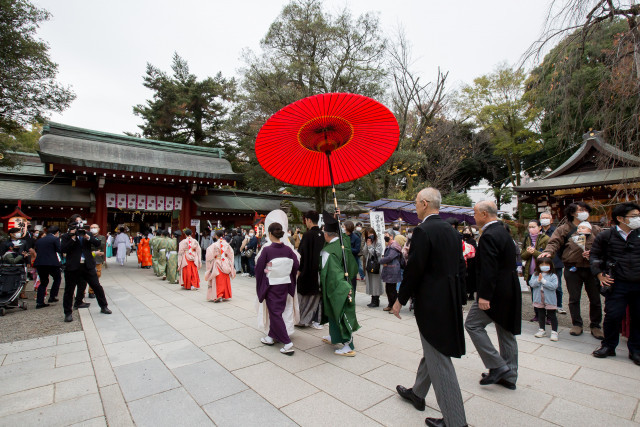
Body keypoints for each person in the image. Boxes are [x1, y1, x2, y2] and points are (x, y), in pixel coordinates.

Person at [392, 188, 467, 427]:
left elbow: (414, 269)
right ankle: (418, 392)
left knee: (439, 359)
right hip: (450, 298)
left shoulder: (423, 231)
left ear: (425, 203)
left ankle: (456, 421)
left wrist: (399, 299)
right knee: (433, 350)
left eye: (416, 203)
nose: (415, 207)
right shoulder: (451, 231)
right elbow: (460, 267)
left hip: (432, 303)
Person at [464, 201, 521, 391]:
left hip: (495, 292)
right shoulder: (503, 231)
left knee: (472, 324)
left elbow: (489, 269)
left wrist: (484, 296)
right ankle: (510, 374)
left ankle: (498, 366)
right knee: (506, 330)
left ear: (484, 214)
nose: (474, 217)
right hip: (509, 288)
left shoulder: (489, 235)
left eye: (475, 214)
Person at [539, 201, 603, 338]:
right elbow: (554, 242)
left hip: (592, 268)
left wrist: (594, 254)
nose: (584, 211)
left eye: (586, 209)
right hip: (572, 268)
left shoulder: (595, 229)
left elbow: (603, 245)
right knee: (574, 297)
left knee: (595, 298)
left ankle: (596, 325)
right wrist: (549, 251)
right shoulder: (564, 229)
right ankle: (577, 324)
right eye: (581, 209)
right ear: (573, 212)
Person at [590, 202, 640, 365]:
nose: (637, 219)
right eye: (634, 216)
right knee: (613, 315)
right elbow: (595, 255)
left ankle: (636, 349)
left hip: (638, 282)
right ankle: (609, 346)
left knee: (638, 317)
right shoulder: (606, 236)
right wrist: (599, 274)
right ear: (620, 218)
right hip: (616, 282)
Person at [255, 221, 299, 355]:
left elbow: (258, 268)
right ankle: (270, 336)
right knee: (278, 310)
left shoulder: (267, 249)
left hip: (272, 285)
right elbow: (296, 264)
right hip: (284, 283)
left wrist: (269, 270)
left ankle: (287, 343)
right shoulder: (287, 249)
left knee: (275, 313)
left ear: (269, 234)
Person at [320, 211, 359, 356]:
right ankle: (334, 336)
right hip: (344, 281)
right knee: (332, 312)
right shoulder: (344, 244)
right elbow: (341, 236)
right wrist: (336, 220)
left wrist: (341, 289)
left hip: (336, 286)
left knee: (340, 312)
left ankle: (348, 345)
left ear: (326, 234)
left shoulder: (328, 251)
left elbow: (330, 274)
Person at [60, 217, 111, 322]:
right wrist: (73, 237)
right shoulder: (66, 236)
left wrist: (88, 237)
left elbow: (97, 244)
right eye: (76, 223)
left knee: (96, 286)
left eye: (80, 222)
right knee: (69, 290)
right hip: (73, 265)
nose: (78, 224)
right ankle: (68, 313)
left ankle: (103, 306)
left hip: (87, 265)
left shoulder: (87, 234)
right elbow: (63, 249)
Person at [296, 210, 325, 329]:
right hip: (320, 271)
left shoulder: (307, 235)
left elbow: (301, 254)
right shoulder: (324, 235)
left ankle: (302, 320)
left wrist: (299, 270)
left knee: (304, 297)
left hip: (307, 271)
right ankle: (316, 320)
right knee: (317, 297)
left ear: (308, 220)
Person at [521, 219, 550, 322]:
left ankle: (549, 316)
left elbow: (548, 256)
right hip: (531, 271)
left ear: (539, 227)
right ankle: (537, 314)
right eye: (529, 227)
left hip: (543, 270)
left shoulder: (545, 238)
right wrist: (529, 253)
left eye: (533, 227)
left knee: (545, 293)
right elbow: (523, 255)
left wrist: (534, 252)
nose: (531, 229)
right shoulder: (527, 239)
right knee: (534, 293)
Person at [540, 212, 566, 314]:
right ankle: (545, 304)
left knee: (557, 285)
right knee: (542, 284)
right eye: (543, 218)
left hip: (555, 261)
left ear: (551, 220)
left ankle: (558, 305)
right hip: (542, 262)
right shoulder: (538, 231)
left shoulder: (556, 231)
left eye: (547, 218)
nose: (544, 220)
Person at [529, 258, 559, 341]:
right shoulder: (535, 274)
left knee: (552, 314)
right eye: (542, 265)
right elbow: (531, 284)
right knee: (541, 314)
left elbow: (554, 286)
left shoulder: (553, 275)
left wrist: (544, 281)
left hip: (549, 298)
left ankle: (554, 332)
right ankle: (541, 329)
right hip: (539, 297)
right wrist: (538, 281)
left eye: (546, 264)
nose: (544, 266)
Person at [32, 226, 62, 308]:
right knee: (57, 278)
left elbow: (37, 250)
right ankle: (52, 296)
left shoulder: (39, 240)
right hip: (52, 263)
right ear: (56, 233)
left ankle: (40, 302)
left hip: (40, 263)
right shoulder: (55, 239)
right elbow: (59, 249)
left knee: (43, 282)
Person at [205, 230, 235, 302]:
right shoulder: (227, 245)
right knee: (225, 279)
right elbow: (231, 254)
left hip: (217, 262)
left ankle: (219, 295)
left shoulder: (214, 245)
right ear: (223, 235)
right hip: (225, 262)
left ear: (216, 236)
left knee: (218, 279)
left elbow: (209, 253)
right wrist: (230, 263)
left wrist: (211, 263)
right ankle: (225, 294)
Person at [380, 234, 402, 312]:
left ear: (391, 236)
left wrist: (381, 260)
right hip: (389, 270)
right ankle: (390, 304)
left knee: (392, 290)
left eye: (387, 235)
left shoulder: (394, 246)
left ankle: (395, 307)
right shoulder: (389, 245)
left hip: (393, 270)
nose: (385, 237)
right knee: (388, 289)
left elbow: (390, 257)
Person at [363, 227, 383, 308]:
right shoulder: (368, 241)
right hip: (369, 264)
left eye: (371, 233)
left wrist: (370, 246)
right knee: (370, 281)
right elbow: (364, 252)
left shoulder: (378, 242)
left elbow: (377, 253)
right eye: (368, 234)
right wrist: (367, 245)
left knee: (376, 282)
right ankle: (373, 299)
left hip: (376, 264)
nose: (370, 235)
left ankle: (376, 300)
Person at [86, 224, 106, 299]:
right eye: (91, 228)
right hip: (88, 257)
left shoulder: (102, 237)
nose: (93, 229)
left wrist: (91, 243)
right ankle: (82, 292)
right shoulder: (86, 236)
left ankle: (91, 291)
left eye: (95, 227)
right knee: (85, 275)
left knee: (96, 274)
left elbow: (101, 245)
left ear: (99, 229)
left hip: (98, 258)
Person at [343, 220, 360, 294]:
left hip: (352, 262)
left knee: (352, 282)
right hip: (343, 262)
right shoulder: (342, 236)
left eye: (343, 226)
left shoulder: (356, 238)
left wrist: (346, 248)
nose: (342, 228)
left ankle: (352, 297)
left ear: (347, 227)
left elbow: (357, 250)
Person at [461, 226, 478, 301]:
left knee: (471, 278)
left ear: (471, 233)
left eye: (467, 232)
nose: (466, 233)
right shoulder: (461, 240)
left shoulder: (472, 241)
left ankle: (471, 294)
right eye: (464, 231)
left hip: (471, 263)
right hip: (463, 262)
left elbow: (474, 251)